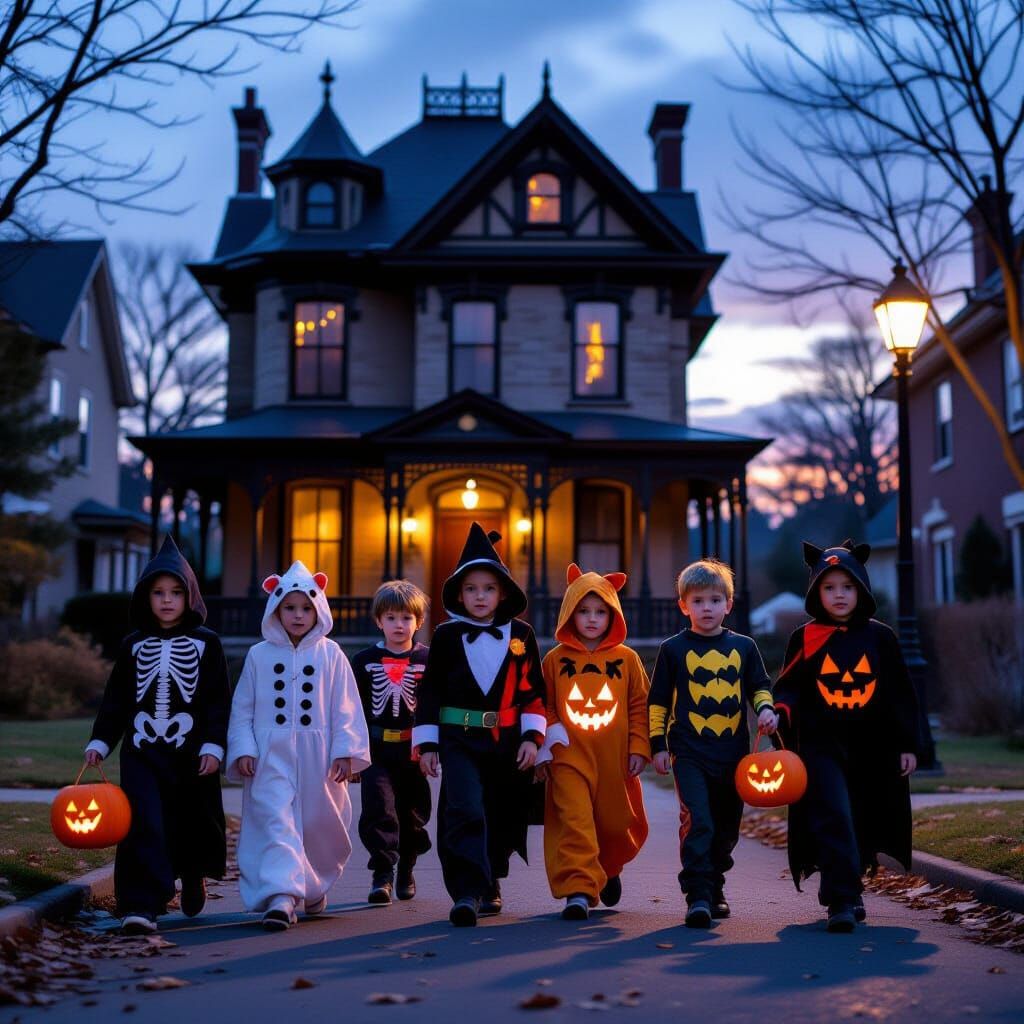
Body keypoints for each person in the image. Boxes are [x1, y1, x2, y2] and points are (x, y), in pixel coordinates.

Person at [85, 536, 230, 935]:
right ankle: (141, 903)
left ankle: (193, 871)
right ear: (145, 597)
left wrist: (215, 744)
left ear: (190, 596)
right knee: (142, 820)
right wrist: (101, 741)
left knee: (190, 818)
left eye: (176, 592)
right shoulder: (134, 645)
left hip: (191, 750)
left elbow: (219, 699)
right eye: (158, 592)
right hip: (142, 750)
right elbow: (116, 700)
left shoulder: (207, 643)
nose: (167, 600)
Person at [774, 540, 919, 932]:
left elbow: (900, 693)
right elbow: (788, 687)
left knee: (860, 815)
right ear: (816, 591)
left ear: (862, 589)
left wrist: (908, 744)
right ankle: (842, 898)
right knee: (831, 813)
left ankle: (844, 885)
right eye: (829, 587)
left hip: (872, 746)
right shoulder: (806, 638)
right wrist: (779, 711)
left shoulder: (880, 638)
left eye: (847, 587)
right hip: (821, 744)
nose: (839, 595)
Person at [413, 522, 546, 927]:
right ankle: (467, 891)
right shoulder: (447, 636)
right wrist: (429, 744)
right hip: (459, 741)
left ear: (503, 592)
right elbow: (431, 691)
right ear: (459, 593)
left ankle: (491, 881)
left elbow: (533, 692)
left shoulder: (521, 635)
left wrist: (531, 736)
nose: (480, 596)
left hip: (506, 741)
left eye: (488, 588)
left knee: (500, 812)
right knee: (465, 808)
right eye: (471, 589)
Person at [226, 561, 370, 930]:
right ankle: (281, 897)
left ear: (319, 609)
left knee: (319, 822)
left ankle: (312, 881)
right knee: (275, 821)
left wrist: (345, 751)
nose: (297, 615)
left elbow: (346, 706)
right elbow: (242, 707)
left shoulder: (331, 654)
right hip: (269, 754)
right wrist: (244, 747)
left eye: (306, 608)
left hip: (318, 756)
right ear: (275, 609)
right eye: (289, 608)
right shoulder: (259, 656)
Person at [649, 558, 777, 928]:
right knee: (699, 820)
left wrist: (766, 711)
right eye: (699, 600)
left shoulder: (744, 647)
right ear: (684, 605)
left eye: (715, 600)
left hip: (733, 753)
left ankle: (715, 883)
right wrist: (658, 746)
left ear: (728, 604)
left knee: (726, 826)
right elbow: (657, 701)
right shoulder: (673, 649)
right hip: (688, 751)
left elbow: (759, 687)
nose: (707, 608)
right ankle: (698, 895)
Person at [535, 563, 650, 920]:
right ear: (569, 612)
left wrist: (639, 747)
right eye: (583, 611)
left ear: (612, 614)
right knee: (575, 820)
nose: (591, 618)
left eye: (600, 611)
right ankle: (579, 890)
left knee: (614, 822)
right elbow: (545, 705)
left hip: (614, 758)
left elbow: (638, 705)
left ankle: (608, 867)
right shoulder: (555, 660)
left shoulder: (627, 660)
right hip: (568, 755)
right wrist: (550, 741)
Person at [351, 579, 432, 905]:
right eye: (391, 618)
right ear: (378, 621)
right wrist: (353, 753)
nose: (399, 625)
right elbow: (352, 709)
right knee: (379, 808)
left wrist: (431, 748)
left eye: (406, 618)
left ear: (419, 621)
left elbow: (434, 705)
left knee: (411, 813)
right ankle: (382, 872)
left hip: (413, 749)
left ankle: (407, 866)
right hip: (377, 749)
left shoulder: (429, 660)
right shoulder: (362, 661)